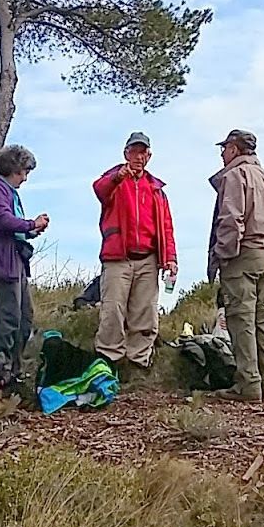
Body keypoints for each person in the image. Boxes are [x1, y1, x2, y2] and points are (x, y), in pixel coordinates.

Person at [208, 129, 264, 402]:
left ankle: (248, 386)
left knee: (241, 320)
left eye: (224, 148)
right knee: (262, 320)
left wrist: (225, 255)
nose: (221, 153)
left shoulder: (235, 176)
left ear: (234, 148)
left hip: (242, 255)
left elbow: (231, 219)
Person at [93, 131, 177, 369]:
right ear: (125, 153)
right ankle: (109, 359)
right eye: (133, 151)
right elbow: (99, 189)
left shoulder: (157, 189)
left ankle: (138, 361)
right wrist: (118, 177)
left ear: (149, 156)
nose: (138, 156)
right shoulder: (114, 179)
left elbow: (167, 227)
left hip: (148, 259)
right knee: (112, 310)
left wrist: (170, 258)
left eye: (143, 152)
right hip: (117, 258)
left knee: (145, 313)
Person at [0, 145, 49, 385]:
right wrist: (30, 224)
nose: (25, 178)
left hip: (14, 260)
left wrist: (30, 231)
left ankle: (13, 369)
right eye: (23, 172)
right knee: (9, 317)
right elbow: (3, 220)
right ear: (12, 169)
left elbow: (11, 226)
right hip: (2, 262)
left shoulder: (7, 191)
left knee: (24, 316)